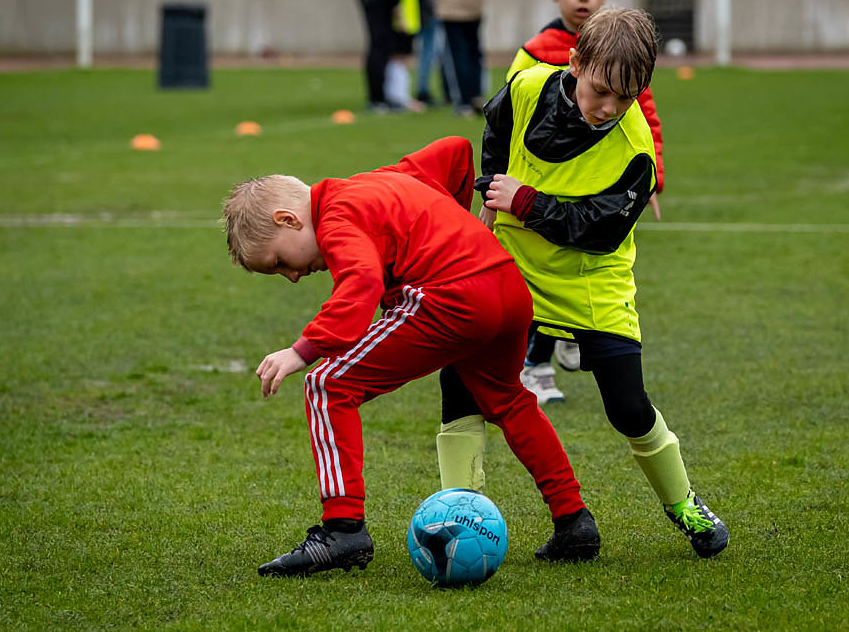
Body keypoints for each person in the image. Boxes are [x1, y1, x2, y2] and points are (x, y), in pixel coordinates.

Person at [222, 136, 602, 577]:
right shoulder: (383, 180)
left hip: (451, 297)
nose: (291, 277)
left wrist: (302, 349)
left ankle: (342, 529)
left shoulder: (336, 218)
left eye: (279, 262)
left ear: (288, 219)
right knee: (508, 400)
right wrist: (456, 226)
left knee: (327, 383)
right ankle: (573, 519)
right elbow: (456, 152)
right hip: (506, 286)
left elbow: (359, 286)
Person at [466, 7, 729, 558]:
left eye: (627, 97)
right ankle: (460, 514)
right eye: (602, 90)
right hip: (510, 265)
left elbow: (599, 232)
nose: (609, 108)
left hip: (592, 281)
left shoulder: (636, 151)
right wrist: (490, 194)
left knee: (628, 408)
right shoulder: (526, 88)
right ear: (575, 61)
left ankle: (685, 505)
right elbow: (496, 128)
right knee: (462, 382)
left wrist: (526, 200)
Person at [507, 0, 668, 404]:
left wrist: (652, 174)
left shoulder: (627, 57)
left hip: (591, 193)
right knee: (534, 281)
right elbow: (511, 111)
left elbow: (646, 115)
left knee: (586, 259)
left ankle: (572, 336)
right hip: (538, 193)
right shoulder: (536, 53)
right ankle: (535, 364)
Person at [418, 0, 500, 117]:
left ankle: (463, 100)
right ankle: (476, 95)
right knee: (474, 49)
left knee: (456, 53)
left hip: (450, 0)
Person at [355, 0, 405, 112]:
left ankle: (379, 96)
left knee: (380, 45)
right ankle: (377, 98)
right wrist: (397, 0)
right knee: (380, 46)